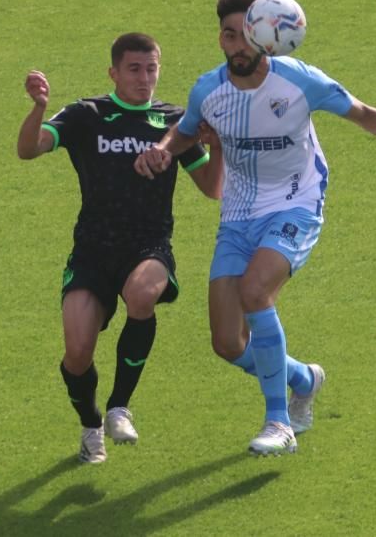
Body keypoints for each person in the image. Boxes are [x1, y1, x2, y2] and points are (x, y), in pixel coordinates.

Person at [135, 0, 376, 456]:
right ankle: (304, 378)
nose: (237, 44)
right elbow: (183, 133)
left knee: (256, 292)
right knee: (226, 342)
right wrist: (163, 150)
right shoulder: (208, 90)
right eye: (228, 34)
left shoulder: (299, 82)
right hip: (239, 215)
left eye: (245, 34)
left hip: (296, 204)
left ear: (265, 37)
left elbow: (364, 114)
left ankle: (278, 422)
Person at [18, 32, 223, 464]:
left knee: (142, 294)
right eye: (134, 69)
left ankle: (119, 407)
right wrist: (38, 109)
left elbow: (212, 188)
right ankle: (91, 425)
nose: (144, 78)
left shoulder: (176, 123)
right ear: (113, 72)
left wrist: (217, 145)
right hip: (92, 251)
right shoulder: (86, 115)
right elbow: (28, 150)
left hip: (149, 246)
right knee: (76, 354)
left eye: (151, 68)